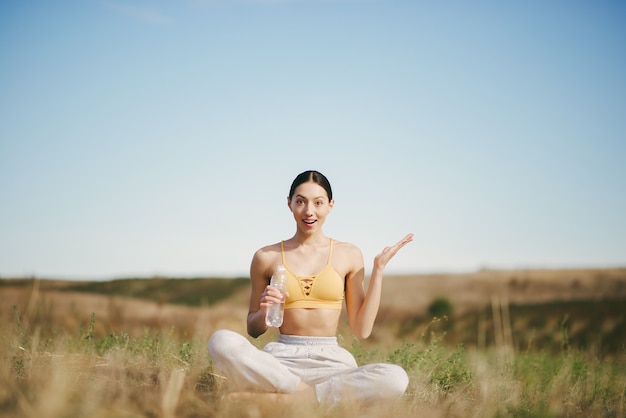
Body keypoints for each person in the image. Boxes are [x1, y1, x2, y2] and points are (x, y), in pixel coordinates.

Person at [208, 170, 413, 406]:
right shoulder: (266, 257)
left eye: (318, 203)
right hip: (281, 363)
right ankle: (311, 397)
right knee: (221, 341)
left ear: (330, 205)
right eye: (300, 202)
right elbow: (253, 330)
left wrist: (379, 269)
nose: (309, 211)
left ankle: (284, 402)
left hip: (332, 363)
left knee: (395, 378)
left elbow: (362, 330)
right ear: (289, 204)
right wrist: (264, 313)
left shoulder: (349, 254)